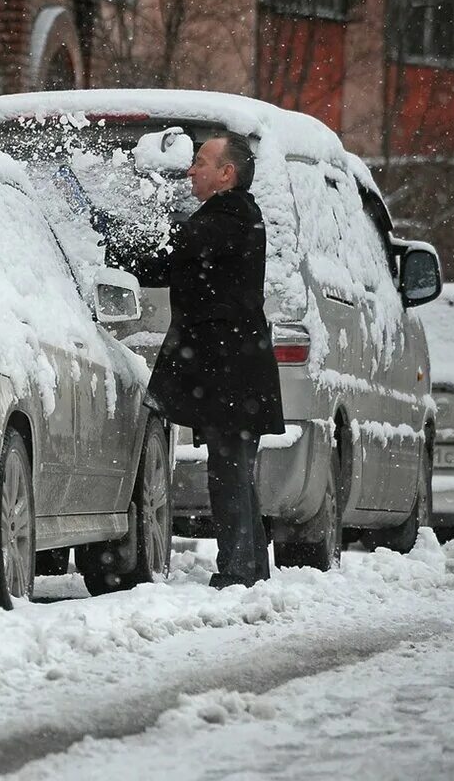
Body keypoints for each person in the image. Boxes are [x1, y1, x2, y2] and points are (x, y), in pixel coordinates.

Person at [104, 133, 283, 589]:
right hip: (235, 366)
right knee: (234, 470)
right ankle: (250, 568)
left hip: (232, 368)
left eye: (201, 163)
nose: (190, 171)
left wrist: (108, 240)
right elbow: (172, 264)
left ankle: (241, 571)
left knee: (230, 472)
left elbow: (170, 254)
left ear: (227, 174)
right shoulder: (229, 218)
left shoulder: (230, 216)